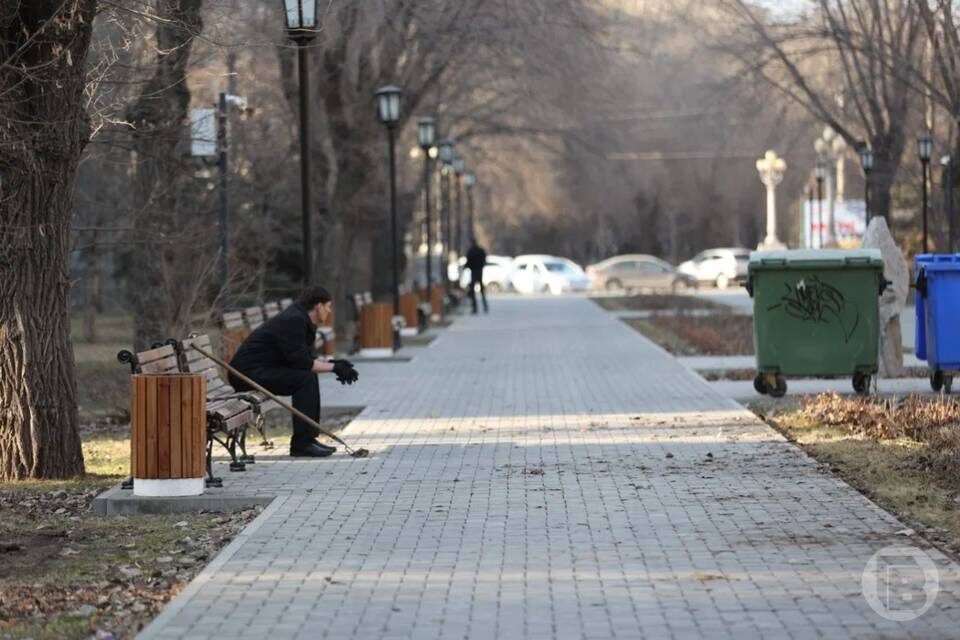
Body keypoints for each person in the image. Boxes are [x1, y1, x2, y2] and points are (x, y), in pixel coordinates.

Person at [229, 286, 358, 457]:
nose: (329, 311)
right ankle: (302, 444)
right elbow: (302, 362)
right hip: (246, 374)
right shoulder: (294, 320)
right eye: (328, 306)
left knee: (307, 377)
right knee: (304, 379)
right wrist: (334, 368)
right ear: (318, 306)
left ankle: (308, 440)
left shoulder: (301, 319)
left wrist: (335, 364)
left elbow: (305, 359)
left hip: (262, 370)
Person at [465, 238, 489, 314]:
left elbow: (468, 262)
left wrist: (467, 266)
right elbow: (484, 260)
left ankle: (475, 308)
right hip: (480, 272)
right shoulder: (480, 250)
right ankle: (485, 306)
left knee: (473, 291)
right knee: (482, 291)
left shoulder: (471, 251)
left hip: (474, 272)